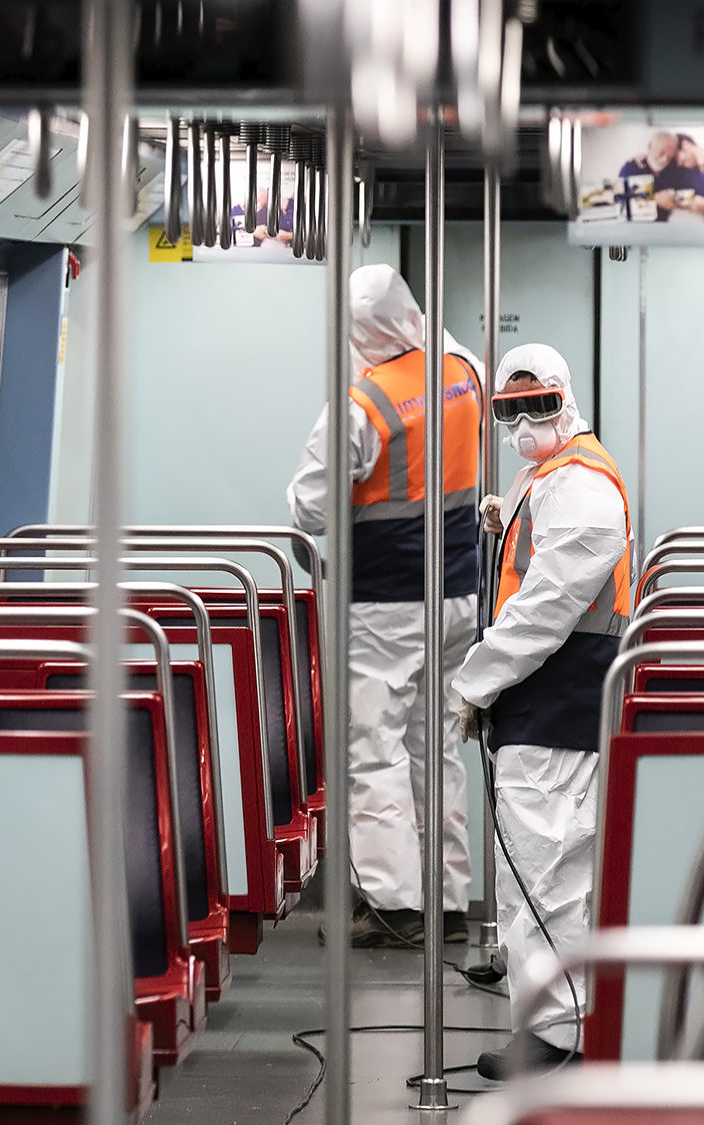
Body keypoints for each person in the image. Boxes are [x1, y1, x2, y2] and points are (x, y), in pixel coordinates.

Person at [287, 264, 484, 948]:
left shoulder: (360, 404)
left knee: (373, 751)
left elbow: (308, 505)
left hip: (386, 603)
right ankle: (451, 900)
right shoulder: (465, 372)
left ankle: (397, 906)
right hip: (458, 594)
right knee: (437, 750)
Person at [451, 343, 632, 1079]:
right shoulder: (553, 475)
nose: (524, 421)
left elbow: (546, 606)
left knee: (542, 871)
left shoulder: (581, 489)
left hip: (556, 700)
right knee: (551, 870)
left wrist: (475, 681)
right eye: (509, 408)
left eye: (539, 404)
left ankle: (554, 1033)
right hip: (552, 699)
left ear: (568, 400)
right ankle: (562, 1020)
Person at [614, 130, 676, 221]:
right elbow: (619, 196)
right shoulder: (632, 166)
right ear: (650, 146)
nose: (665, 160)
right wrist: (655, 198)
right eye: (661, 153)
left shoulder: (671, 169)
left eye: (670, 156)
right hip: (635, 227)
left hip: (662, 227)